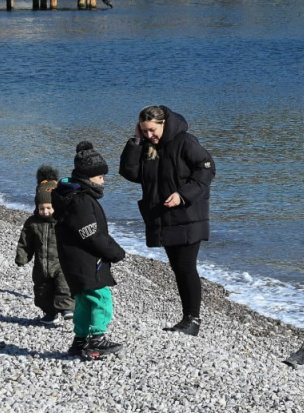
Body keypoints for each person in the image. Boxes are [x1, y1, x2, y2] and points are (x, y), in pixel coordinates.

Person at [119, 105, 215, 336]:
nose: (149, 135)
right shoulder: (147, 146)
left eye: (152, 130)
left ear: (164, 124)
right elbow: (130, 172)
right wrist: (136, 141)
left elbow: (207, 170)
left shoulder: (185, 141)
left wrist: (183, 195)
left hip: (188, 215)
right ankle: (188, 318)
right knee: (178, 268)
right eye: (144, 130)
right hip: (164, 217)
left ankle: (193, 320)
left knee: (186, 266)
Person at [52, 141, 126, 359]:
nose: (103, 181)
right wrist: (114, 251)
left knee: (84, 302)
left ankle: (80, 340)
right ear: (88, 177)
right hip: (86, 261)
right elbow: (90, 233)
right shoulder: (81, 201)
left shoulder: (69, 196)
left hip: (72, 260)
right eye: (100, 177)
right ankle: (97, 339)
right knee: (101, 298)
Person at [15, 165, 74, 323]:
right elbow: (25, 241)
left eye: (49, 208)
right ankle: (49, 313)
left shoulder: (63, 221)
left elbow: (75, 238)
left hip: (61, 263)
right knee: (42, 291)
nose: (45, 211)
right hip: (41, 265)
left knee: (64, 286)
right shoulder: (33, 222)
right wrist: (22, 256)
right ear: (37, 206)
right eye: (42, 208)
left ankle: (66, 308)